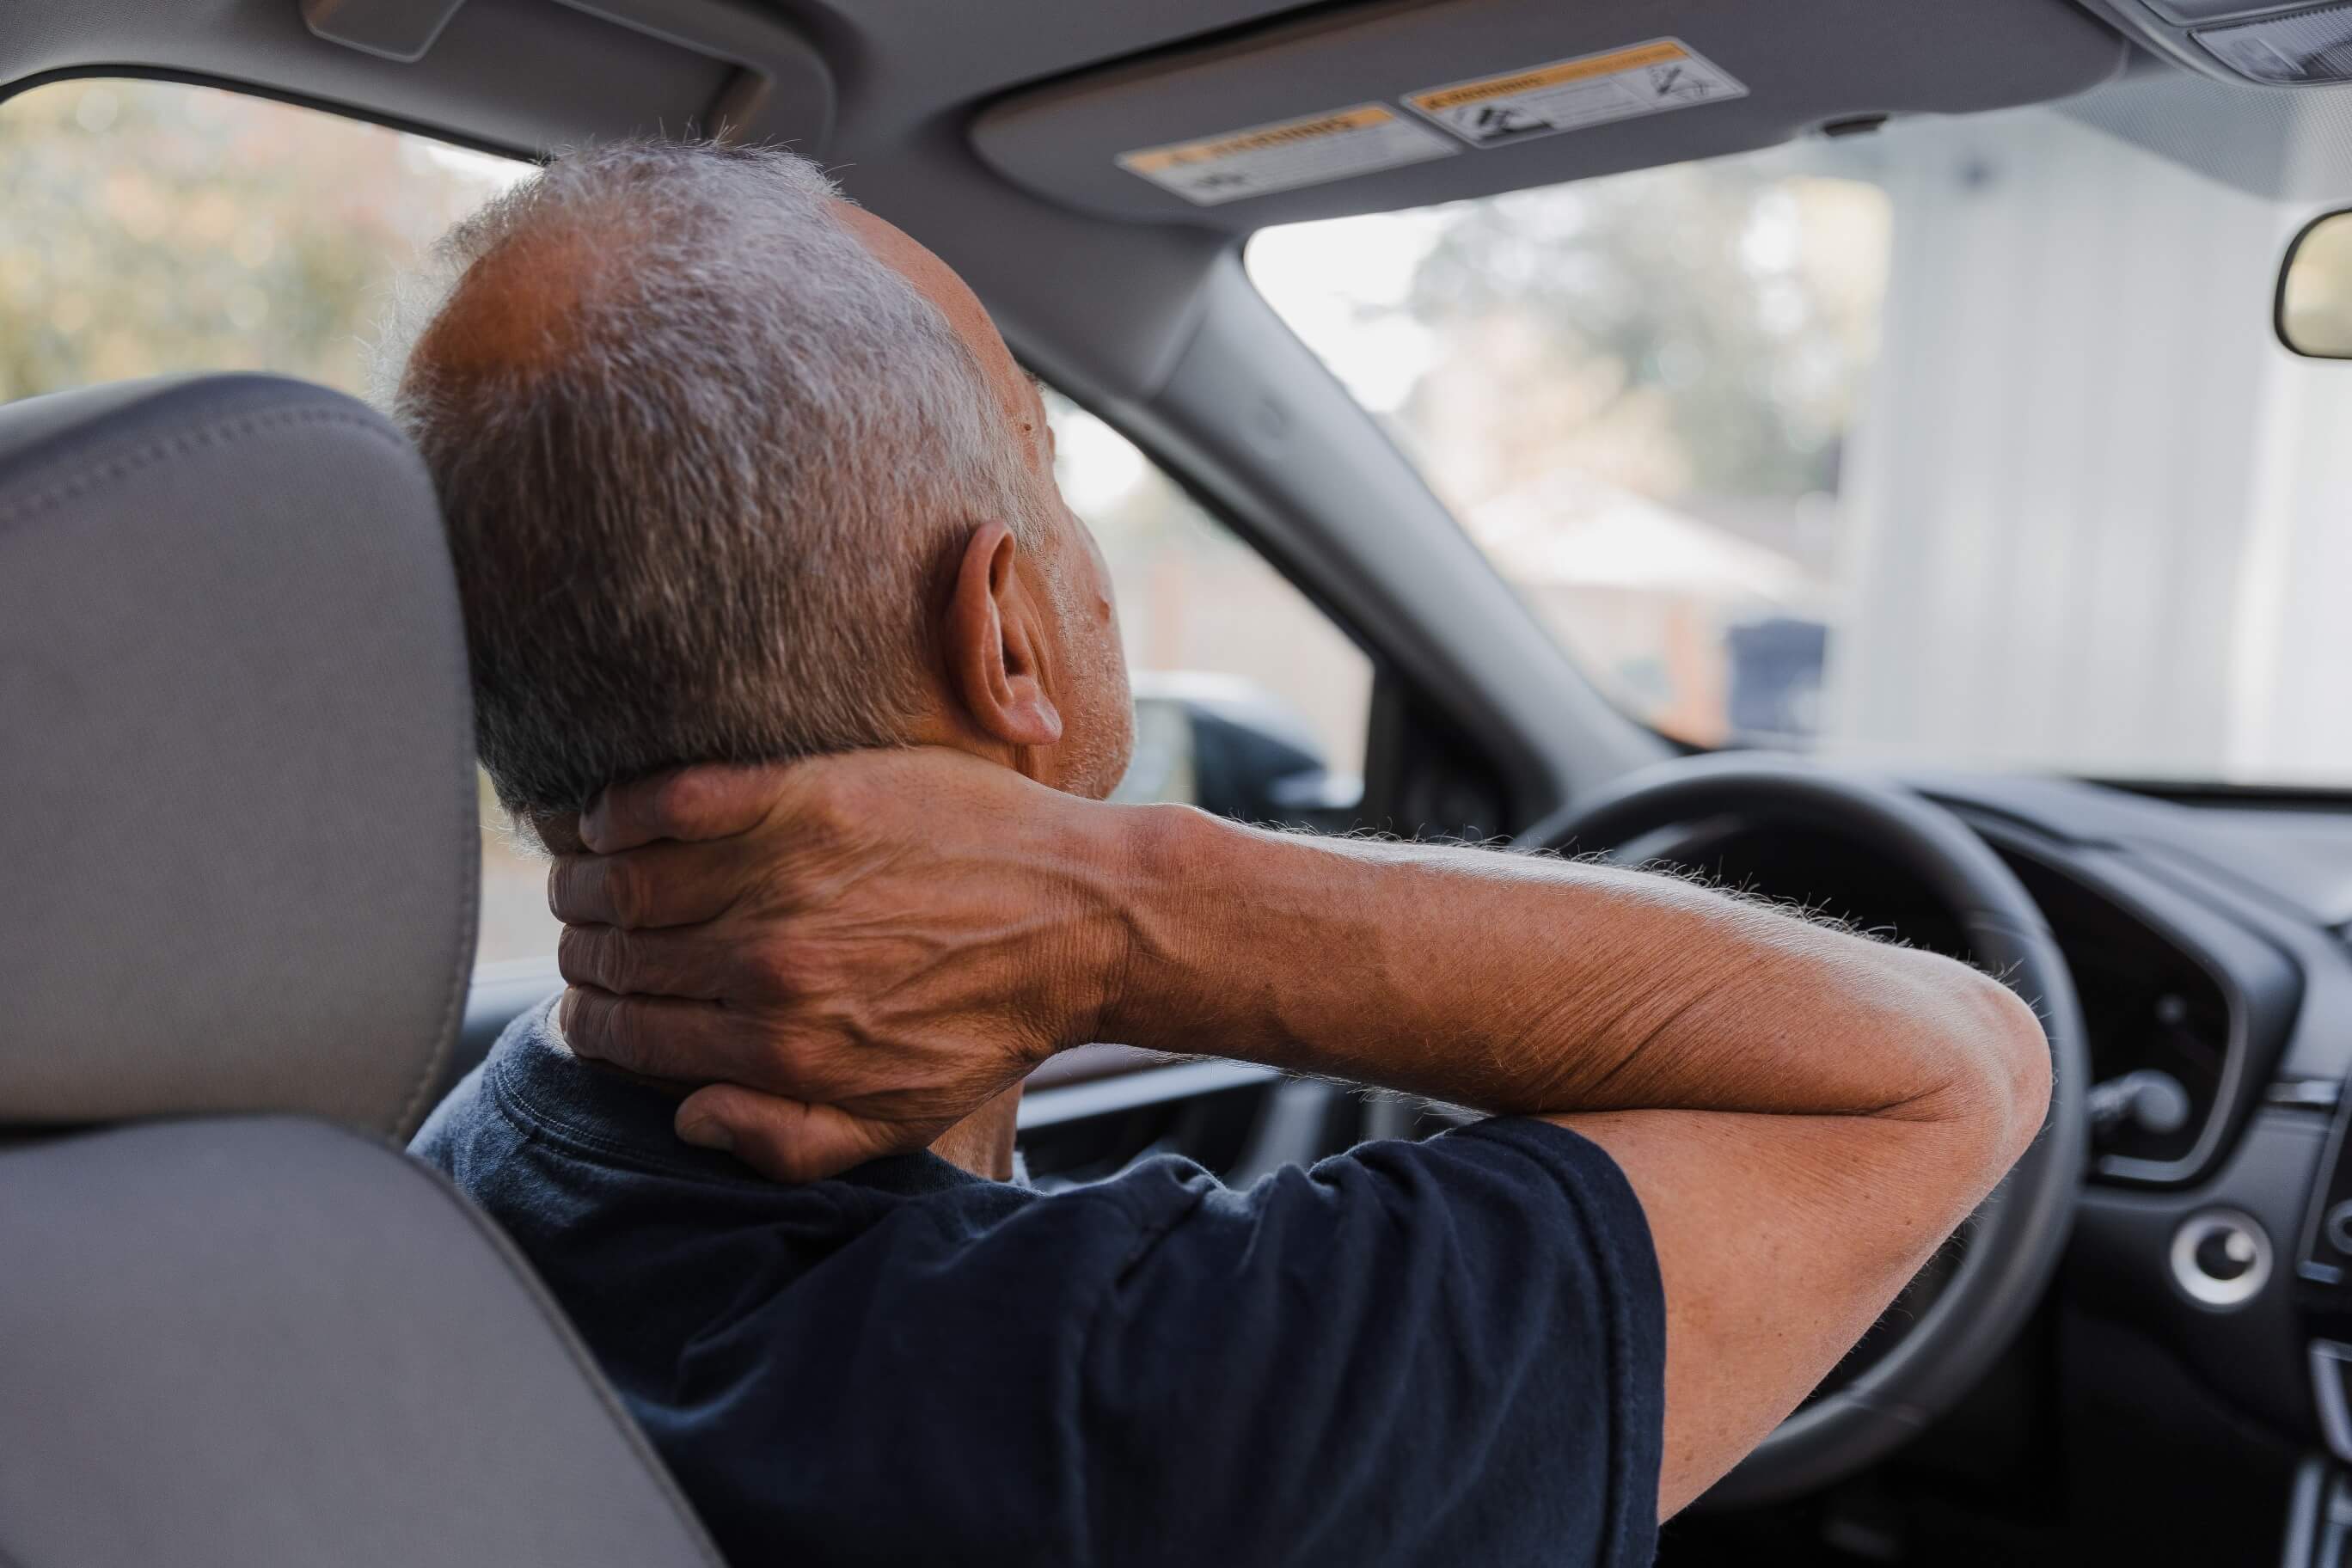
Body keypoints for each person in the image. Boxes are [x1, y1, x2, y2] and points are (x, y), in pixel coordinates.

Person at [389, 139, 2051, 1567]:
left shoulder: (439, 1178)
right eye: (1050, 471)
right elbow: (1948, 1073)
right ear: (1010, 637)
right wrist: (1118, 915)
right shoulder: (1160, 1403)